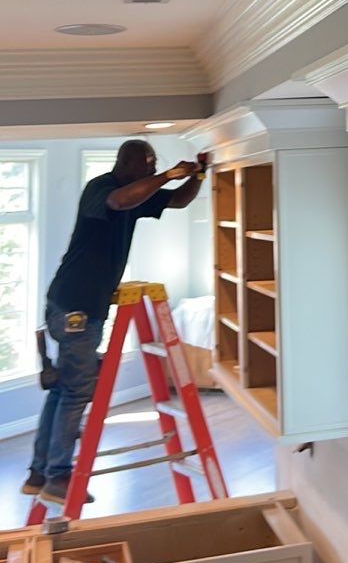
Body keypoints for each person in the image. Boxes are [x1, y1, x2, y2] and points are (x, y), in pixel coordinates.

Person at [22, 139, 208, 507]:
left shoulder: (137, 197)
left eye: (155, 167)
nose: (152, 173)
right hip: (75, 306)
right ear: (125, 163)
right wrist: (169, 174)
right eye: (147, 166)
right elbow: (121, 200)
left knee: (63, 390)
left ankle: (39, 473)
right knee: (76, 392)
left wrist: (199, 174)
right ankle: (59, 476)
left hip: (75, 304)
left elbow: (178, 200)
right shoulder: (102, 189)